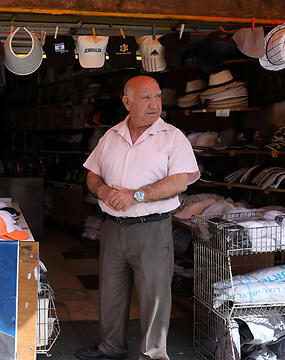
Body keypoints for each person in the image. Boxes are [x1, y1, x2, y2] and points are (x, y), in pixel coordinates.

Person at [76, 76, 199, 360]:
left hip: (151, 229)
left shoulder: (172, 137)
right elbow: (92, 174)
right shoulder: (111, 136)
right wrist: (103, 190)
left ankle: (153, 354)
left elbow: (180, 182)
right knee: (111, 293)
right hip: (113, 228)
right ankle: (110, 347)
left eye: (157, 96)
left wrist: (137, 195)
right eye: (145, 97)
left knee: (154, 297)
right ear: (126, 101)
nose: (154, 104)